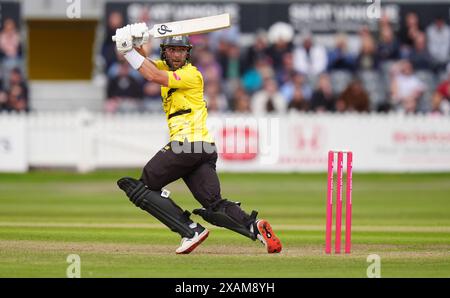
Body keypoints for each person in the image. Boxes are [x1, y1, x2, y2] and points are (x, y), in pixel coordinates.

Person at [113, 24, 282, 254]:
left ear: (187, 53)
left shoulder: (191, 74)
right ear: (165, 51)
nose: (176, 54)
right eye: (172, 50)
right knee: (214, 204)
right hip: (203, 149)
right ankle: (255, 226)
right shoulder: (165, 67)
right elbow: (147, 63)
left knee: (142, 187)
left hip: (186, 145)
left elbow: (152, 74)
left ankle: (189, 230)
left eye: (180, 50)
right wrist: (132, 44)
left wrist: (128, 51)